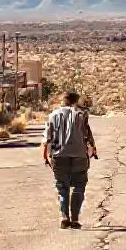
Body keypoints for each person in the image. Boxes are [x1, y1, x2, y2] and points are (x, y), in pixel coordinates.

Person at [42, 91, 97, 229]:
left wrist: (46, 156)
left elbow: (47, 139)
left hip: (59, 156)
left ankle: (64, 217)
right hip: (79, 155)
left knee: (62, 187)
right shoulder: (81, 115)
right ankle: (75, 219)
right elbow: (88, 136)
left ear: (63, 101)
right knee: (79, 187)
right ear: (75, 101)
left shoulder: (52, 115)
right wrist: (92, 150)